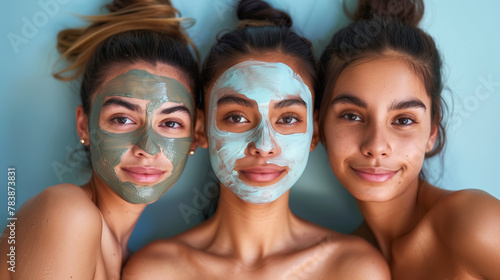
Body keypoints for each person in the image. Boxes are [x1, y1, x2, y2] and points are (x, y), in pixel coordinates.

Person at [122, 1, 390, 279]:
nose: (263, 145)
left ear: (315, 131)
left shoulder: (353, 268)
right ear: (201, 129)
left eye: (287, 119)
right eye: (237, 117)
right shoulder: (156, 271)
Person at [0, 0, 200, 279]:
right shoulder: (67, 213)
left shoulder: (136, 265)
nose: (148, 147)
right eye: (122, 119)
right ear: (84, 126)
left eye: (170, 123)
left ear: (195, 137)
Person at [318, 0, 500, 279]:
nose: (376, 146)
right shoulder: (342, 265)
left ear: (432, 132)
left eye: (404, 120)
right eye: (352, 116)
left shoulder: (476, 223)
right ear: (320, 126)